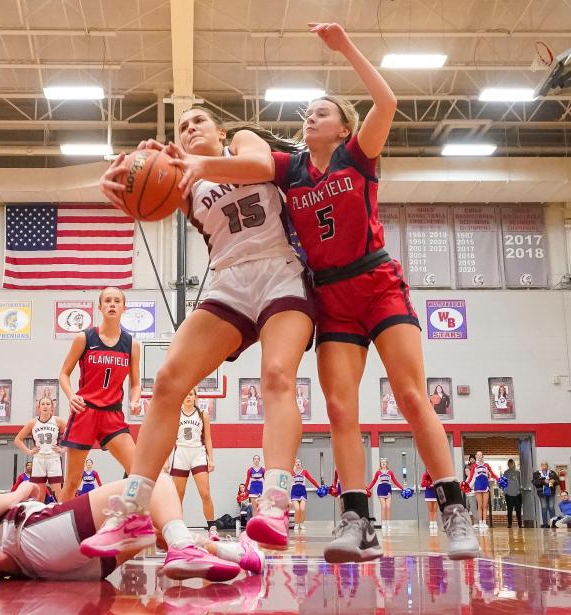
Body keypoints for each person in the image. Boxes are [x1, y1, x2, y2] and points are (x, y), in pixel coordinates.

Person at [183, 22, 477, 562]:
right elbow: (244, 165)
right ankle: (357, 520)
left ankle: (454, 506)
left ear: (343, 127)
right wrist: (188, 163)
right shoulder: (289, 168)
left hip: (377, 283)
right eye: (308, 112)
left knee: (412, 396)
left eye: (322, 111)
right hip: (330, 296)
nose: (310, 116)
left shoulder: (358, 155)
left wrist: (345, 49)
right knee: (340, 408)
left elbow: (386, 100)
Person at [87, 104, 315, 555]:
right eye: (183, 127)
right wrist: (120, 179)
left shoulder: (245, 141)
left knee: (277, 376)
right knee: (169, 381)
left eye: (199, 122)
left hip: (279, 271)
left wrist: (193, 161)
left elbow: (262, 166)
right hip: (229, 281)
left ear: (221, 129)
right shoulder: (186, 183)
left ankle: (273, 503)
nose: (190, 129)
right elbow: (137, 184)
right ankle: (133, 509)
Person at [59, 287, 141, 502]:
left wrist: (134, 401)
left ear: (124, 308)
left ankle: (132, 520)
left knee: (138, 474)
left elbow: (135, 384)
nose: (112, 304)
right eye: (107, 300)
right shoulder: (84, 338)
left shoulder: (132, 344)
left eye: (117, 301)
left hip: (112, 416)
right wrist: (71, 395)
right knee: (72, 483)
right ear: (100, 306)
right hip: (85, 412)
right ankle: (57, 529)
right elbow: (64, 374)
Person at [164, 389, 218, 538]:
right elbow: (169, 439)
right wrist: (166, 460)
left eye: (190, 394)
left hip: (198, 454)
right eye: (185, 394)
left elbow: (208, 439)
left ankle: (212, 528)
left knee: (205, 493)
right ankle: (177, 529)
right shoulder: (175, 414)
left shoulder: (202, 414)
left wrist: (211, 459)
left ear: (195, 397)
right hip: (181, 453)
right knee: (178, 496)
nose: (188, 397)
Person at [14, 396, 67, 502]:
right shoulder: (32, 423)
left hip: (54, 459)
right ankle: (40, 517)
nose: (45, 406)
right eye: (43, 404)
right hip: (38, 460)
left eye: (48, 404)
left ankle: (60, 516)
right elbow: (17, 440)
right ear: (38, 407)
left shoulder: (58, 421)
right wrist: (29, 451)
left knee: (58, 495)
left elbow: (72, 435)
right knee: (39, 496)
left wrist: (63, 449)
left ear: (52, 407)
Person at [464, 451, 498, 530]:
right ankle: (480, 522)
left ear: (482, 456)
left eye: (480, 455)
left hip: (485, 486)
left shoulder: (486, 465)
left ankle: (484, 522)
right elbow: (471, 476)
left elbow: (492, 473)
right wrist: (466, 484)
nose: (479, 456)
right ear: (476, 456)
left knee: (485, 505)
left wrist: (498, 478)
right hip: (478, 487)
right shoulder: (474, 466)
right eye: (478, 455)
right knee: (480, 505)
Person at [368, 458, 404, 532]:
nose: (383, 463)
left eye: (385, 462)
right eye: (382, 463)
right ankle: (383, 524)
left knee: (388, 507)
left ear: (387, 464)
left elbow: (395, 481)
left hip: (388, 489)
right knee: (383, 507)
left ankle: (388, 524)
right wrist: (368, 488)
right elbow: (374, 481)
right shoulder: (378, 472)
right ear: (380, 464)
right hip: (381, 489)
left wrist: (402, 488)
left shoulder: (390, 472)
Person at [289, 459, 320, 532]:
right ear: (294, 464)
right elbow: (285, 479)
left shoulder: (304, 472)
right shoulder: (291, 472)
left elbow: (311, 479)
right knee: (297, 509)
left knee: (302, 509)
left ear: (301, 463)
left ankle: (302, 524)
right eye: (296, 462)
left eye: (299, 462)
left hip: (303, 492)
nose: (298, 463)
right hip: (294, 493)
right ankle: (296, 524)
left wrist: (318, 487)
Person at [534, 462, 559, 528]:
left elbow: (558, 481)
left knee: (551, 507)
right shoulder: (537, 473)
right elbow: (534, 482)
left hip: (551, 492)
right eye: (543, 465)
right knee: (544, 507)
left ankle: (553, 524)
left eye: (545, 465)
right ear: (541, 466)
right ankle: (545, 524)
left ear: (547, 466)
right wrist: (543, 481)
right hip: (541, 493)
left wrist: (554, 481)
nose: (544, 466)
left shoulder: (552, 472)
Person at [502, 459, 523, 528]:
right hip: (509, 495)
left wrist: (520, 490)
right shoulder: (505, 473)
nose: (511, 465)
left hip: (517, 494)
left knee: (518, 510)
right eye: (509, 464)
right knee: (509, 510)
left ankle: (520, 524)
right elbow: (503, 484)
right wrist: (505, 492)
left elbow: (521, 482)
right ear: (508, 464)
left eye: (512, 463)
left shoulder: (518, 472)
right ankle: (510, 524)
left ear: (514, 464)